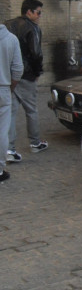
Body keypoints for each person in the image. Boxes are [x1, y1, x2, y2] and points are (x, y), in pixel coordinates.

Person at [5, 0, 47, 159]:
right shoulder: (32, 28)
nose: (39, 16)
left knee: (11, 112)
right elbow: (36, 54)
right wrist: (37, 73)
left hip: (9, 75)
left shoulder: (7, 25)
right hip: (26, 74)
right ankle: (35, 142)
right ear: (29, 12)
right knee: (31, 110)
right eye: (38, 13)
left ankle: (9, 148)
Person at [0, 22, 23, 181]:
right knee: (2, 131)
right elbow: (17, 69)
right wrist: (11, 87)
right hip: (3, 87)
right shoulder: (11, 39)